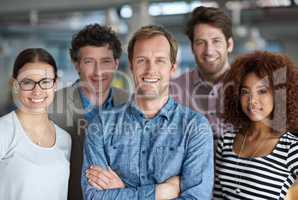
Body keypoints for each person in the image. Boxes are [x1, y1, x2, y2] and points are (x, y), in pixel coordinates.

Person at [81, 25, 214, 200]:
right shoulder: (101, 124)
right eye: (142, 60)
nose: (150, 69)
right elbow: (93, 197)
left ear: (173, 68)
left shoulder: (196, 127)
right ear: (131, 66)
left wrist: (123, 190)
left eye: (160, 60)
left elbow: (196, 198)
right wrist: (160, 192)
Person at [49, 24, 130, 200]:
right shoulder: (51, 107)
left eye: (105, 61)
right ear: (76, 64)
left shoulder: (132, 104)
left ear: (116, 64)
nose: (98, 72)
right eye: (88, 62)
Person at [213, 51, 298, 199]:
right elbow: (218, 195)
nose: (252, 100)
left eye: (262, 91)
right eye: (245, 92)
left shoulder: (290, 148)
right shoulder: (226, 141)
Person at [0, 48, 71, 200]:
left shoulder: (64, 139)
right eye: (27, 82)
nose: (37, 91)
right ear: (15, 85)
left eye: (45, 82)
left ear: (55, 84)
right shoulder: (4, 131)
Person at [171, 6, 234, 139]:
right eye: (200, 43)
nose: (209, 51)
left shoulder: (249, 88)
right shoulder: (173, 91)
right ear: (192, 47)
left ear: (229, 45)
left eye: (216, 41)